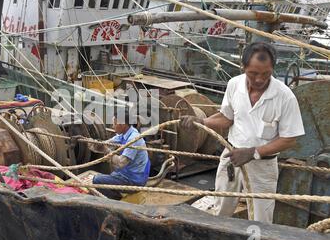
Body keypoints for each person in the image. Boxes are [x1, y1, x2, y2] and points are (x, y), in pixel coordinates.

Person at [180, 42, 305, 223]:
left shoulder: (285, 97)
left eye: (266, 73)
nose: (260, 79)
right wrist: (202, 121)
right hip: (231, 156)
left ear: (272, 69)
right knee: (220, 209)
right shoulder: (234, 85)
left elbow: (289, 139)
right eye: (253, 73)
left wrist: (253, 152)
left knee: (261, 219)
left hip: (263, 166)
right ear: (243, 67)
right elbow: (227, 118)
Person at [89, 110, 151, 199]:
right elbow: (106, 144)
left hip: (135, 180)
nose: (112, 126)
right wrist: (92, 144)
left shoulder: (133, 139)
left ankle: (117, 200)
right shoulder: (126, 133)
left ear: (122, 125)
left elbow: (121, 162)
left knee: (97, 180)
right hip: (129, 173)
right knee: (111, 175)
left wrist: (106, 150)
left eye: (114, 124)